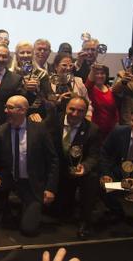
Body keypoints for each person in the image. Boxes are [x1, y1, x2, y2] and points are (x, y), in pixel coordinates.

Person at [0, 95, 59, 236]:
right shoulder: (1, 132)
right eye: (5, 107)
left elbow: (53, 160)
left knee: (29, 230)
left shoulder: (39, 130)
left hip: (31, 183)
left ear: (22, 110)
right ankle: (3, 209)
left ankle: (25, 207)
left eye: (9, 108)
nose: (5, 111)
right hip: (9, 178)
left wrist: (50, 188)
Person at [49, 96, 101, 240]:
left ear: (85, 112)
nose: (75, 114)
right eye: (72, 109)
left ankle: (85, 221)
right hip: (57, 171)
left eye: (80, 111)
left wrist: (84, 167)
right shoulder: (53, 121)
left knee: (91, 178)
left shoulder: (92, 129)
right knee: (59, 211)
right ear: (66, 108)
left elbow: (94, 156)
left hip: (78, 172)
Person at [9, 41, 53, 121]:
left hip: (37, 115)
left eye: (28, 52)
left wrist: (37, 90)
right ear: (16, 55)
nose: (25, 55)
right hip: (13, 115)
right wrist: (25, 89)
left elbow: (48, 97)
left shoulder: (42, 74)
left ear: (33, 55)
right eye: (22, 52)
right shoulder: (10, 74)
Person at [51, 53, 93, 120]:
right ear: (56, 66)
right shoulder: (48, 82)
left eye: (70, 65)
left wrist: (88, 116)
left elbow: (87, 103)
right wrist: (58, 101)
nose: (68, 68)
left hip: (75, 119)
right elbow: (46, 103)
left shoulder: (78, 82)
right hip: (53, 119)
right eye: (64, 65)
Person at [85, 64, 118, 142]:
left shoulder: (111, 90)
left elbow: (115, 111)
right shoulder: (90, 90)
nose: (100, 75)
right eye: (97, 73)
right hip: (96, 131)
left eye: (102, 73)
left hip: (111, 131)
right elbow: (89, 83)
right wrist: (93, 69)